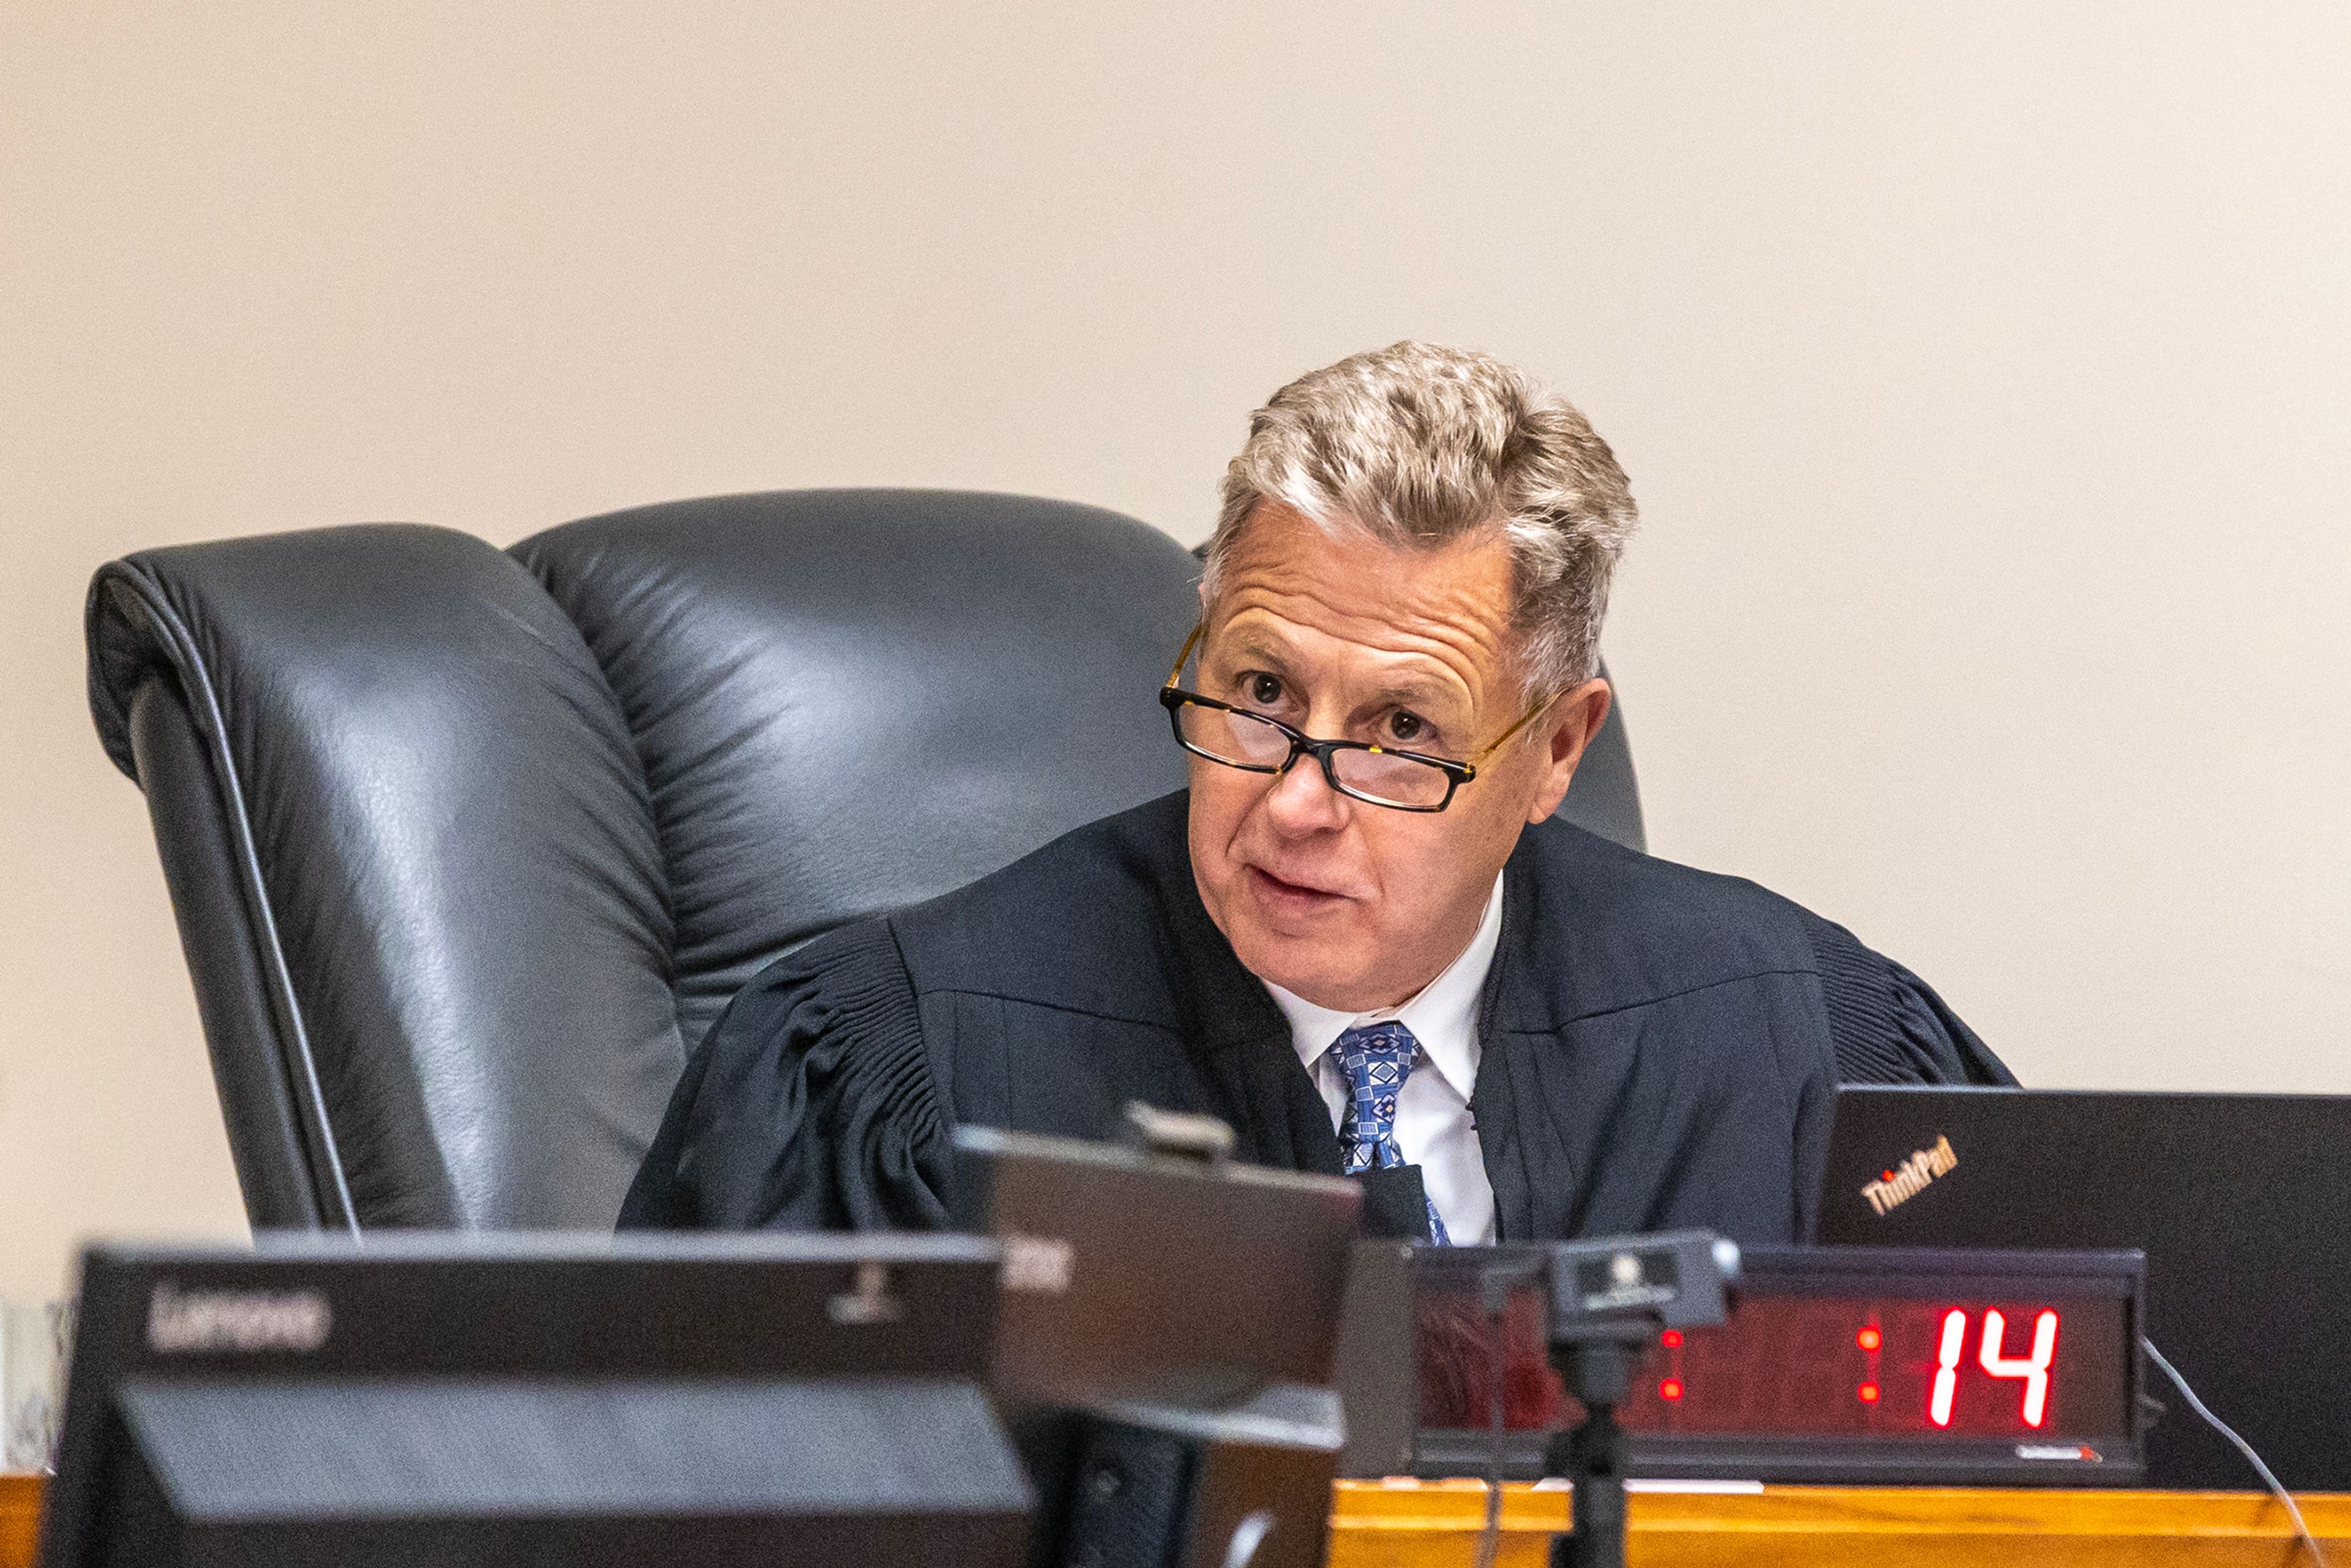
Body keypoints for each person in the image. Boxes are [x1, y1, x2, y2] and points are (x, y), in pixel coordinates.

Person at [620, 341, 2011, 1246]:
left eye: (1404, 729)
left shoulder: (1797, 1046)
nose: (1293, 803)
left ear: (1557, 752)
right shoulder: (904, 1069)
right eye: (1262, 696)